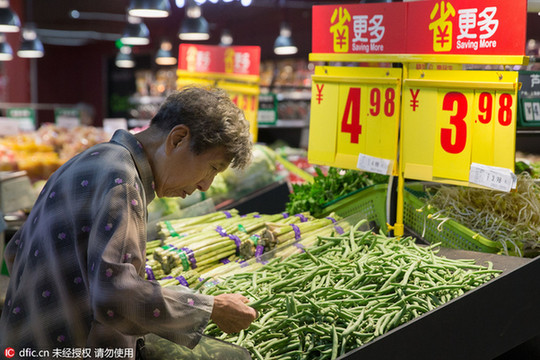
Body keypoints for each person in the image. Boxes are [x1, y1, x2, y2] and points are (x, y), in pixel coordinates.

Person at [0, 86, 257, 358]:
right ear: (178, 139)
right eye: (212, 167)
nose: (206, 185)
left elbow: (14, 251)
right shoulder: (122, 182)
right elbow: (114, 297)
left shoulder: (90, 158)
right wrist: (209, 309)